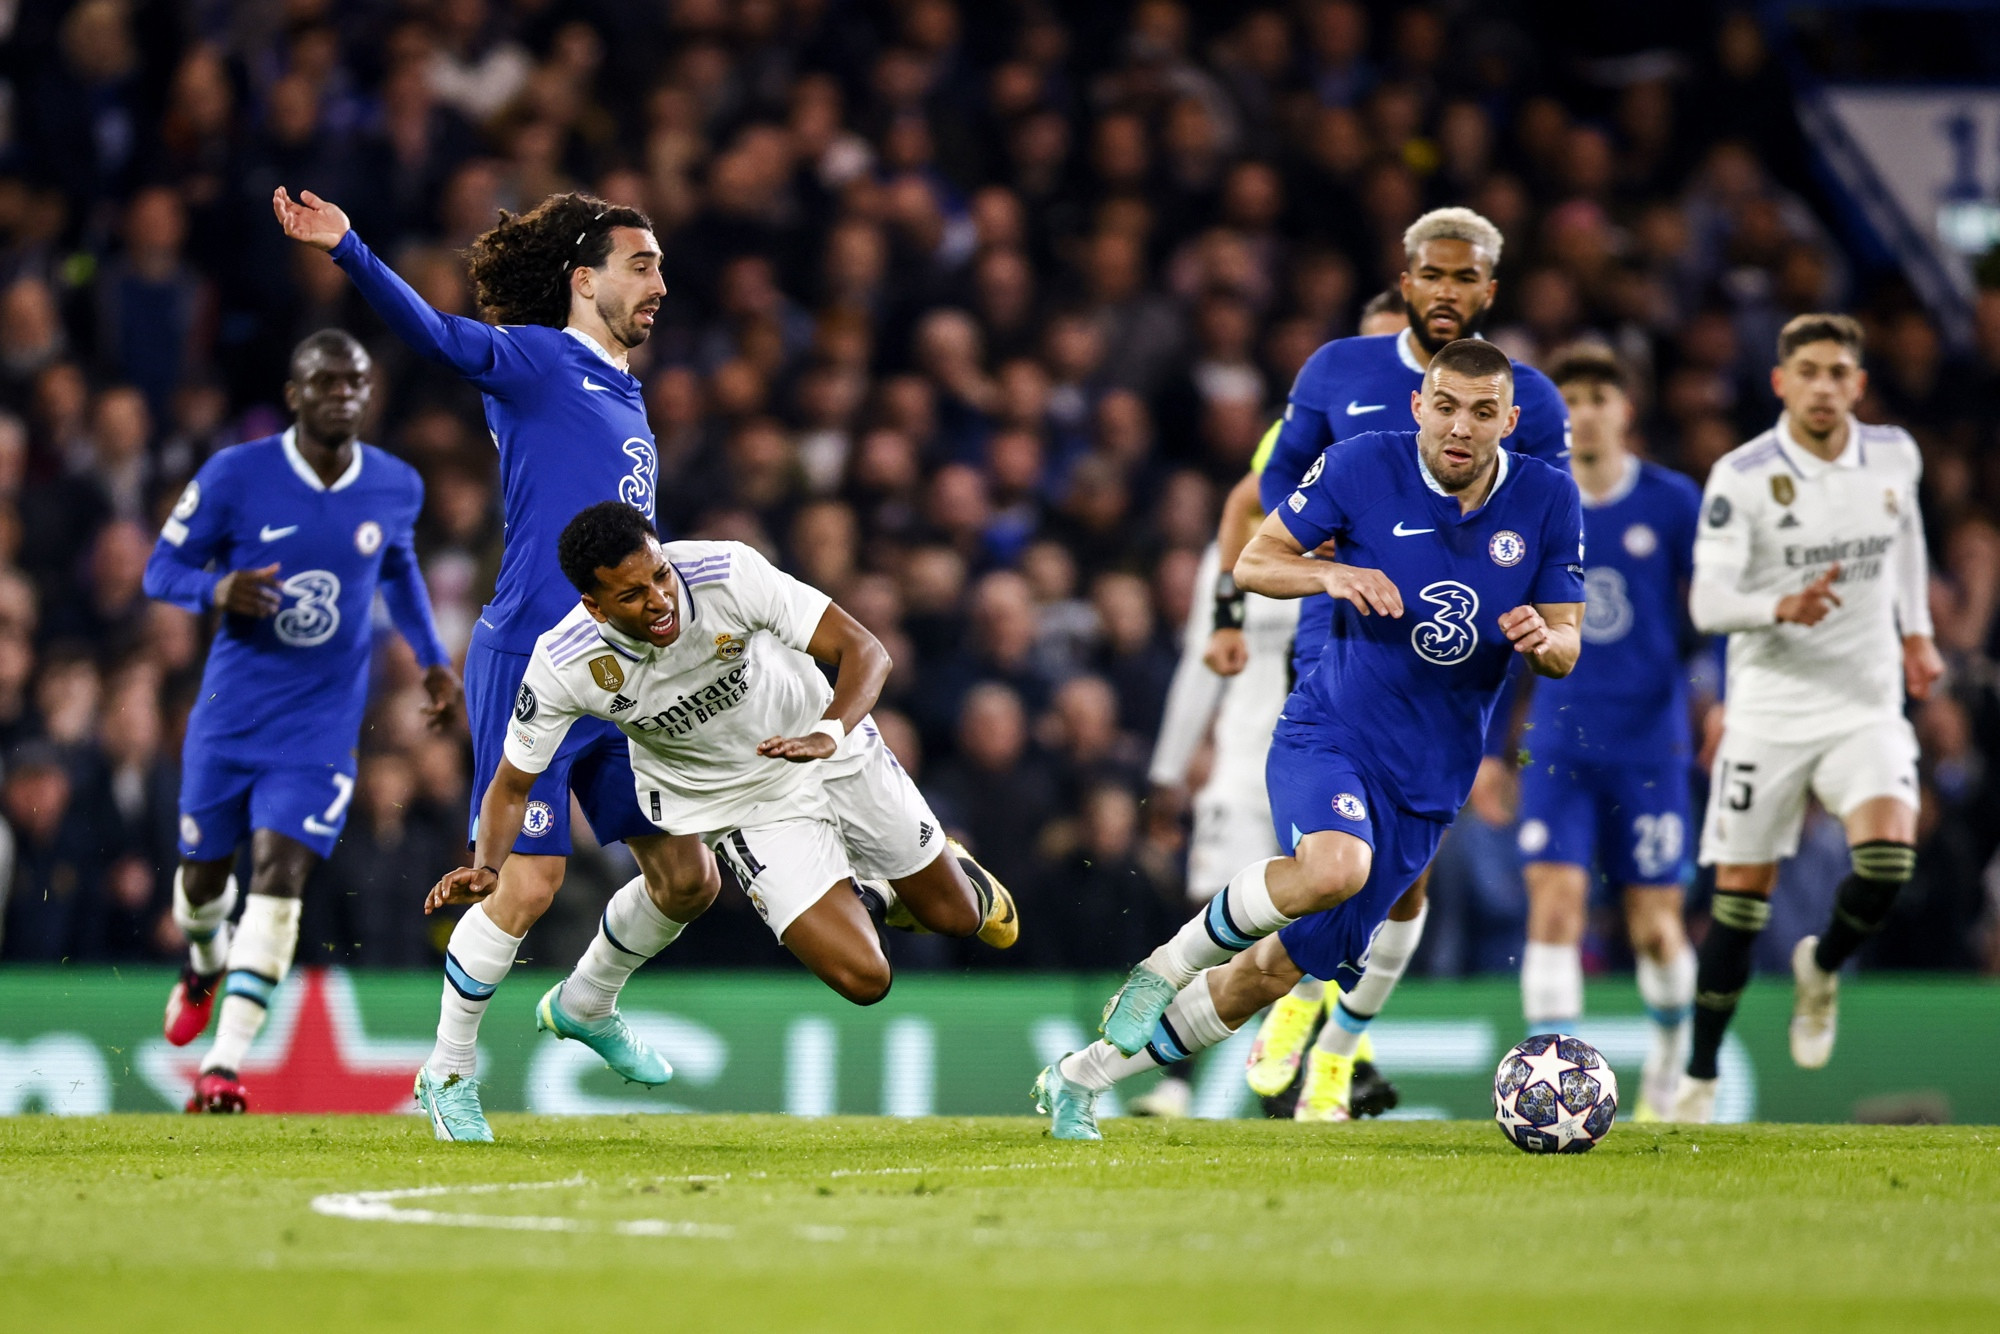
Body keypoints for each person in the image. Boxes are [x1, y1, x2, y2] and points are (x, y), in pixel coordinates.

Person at [1033, 340, 1585, 1139]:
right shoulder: (1362, 464)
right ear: (1418, 407)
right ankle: (1164, 966)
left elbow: (1567, 644)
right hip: (1332, 729)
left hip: (1430, 779)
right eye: (1447, 406)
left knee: (1266, 975)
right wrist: (1331, 575)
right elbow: (1256, 560)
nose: (1461, 426)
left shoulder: (1548, 498)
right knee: (1336, 864)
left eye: (1483, 411)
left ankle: (1077, 1078)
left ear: (1511, 420)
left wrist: (1545, 640)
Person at [271, 187, 722, 1138]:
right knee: (529, 881)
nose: (660, 286)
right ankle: (446, 1073)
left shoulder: (625, 389)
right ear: (583, 279)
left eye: (662, 269)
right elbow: (437, 337)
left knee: (689, 879)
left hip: (621, 671)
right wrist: (348, 244)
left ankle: (587, 1004)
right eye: (642, 267)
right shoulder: (539, 359)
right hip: (532, 658)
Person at [426, 502, 1018, 1139]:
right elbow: (511, 786)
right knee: (866, 980)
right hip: (744, 811)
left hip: (831, 748)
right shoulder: (565, 664)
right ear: (595, 608)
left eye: (659, 576)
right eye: (632, 594)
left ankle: (936, 873)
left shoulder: (724, 572)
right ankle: (876, 890)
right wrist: (486, 865)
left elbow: (864, 651)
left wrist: (828, 731)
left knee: (959, 918)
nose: (659, 600)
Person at [1226, 210, 1574, 1121]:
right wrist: (1330, 547)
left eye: (1468, 279)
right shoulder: (1338, 370)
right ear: (1408, 279)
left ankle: (1332, 1043)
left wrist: (1527, 689)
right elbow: (1275, 483)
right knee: (1335, 845)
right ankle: (1300, 991)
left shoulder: (1529, 394)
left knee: (1405, 875)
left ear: (1490, 289)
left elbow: (1547, 537)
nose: (1449, 292)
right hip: (1340, 628)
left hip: (1459, 663)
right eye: (1434, 275)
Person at [145, 330, 461, 1113]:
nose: (342, 395)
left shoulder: (395, 485)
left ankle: (223, 1067)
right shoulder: (236, 475)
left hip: (320, 729)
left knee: (279, 880)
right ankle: (202, 961)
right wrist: (219, 590)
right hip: (230, 718)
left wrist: (430, 658)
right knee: (201, 886)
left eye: (355, 382)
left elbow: (398, 568)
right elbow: (162, 569)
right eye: (325, 382)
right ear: (294, 394)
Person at [1674, 314, 1941, 1123]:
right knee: (1738, 902)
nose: (1824, 386)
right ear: (1780, 383)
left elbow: (1905, 540)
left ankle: (1821, 968)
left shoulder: (1895, 454)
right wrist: (1777, 606)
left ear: (1858, 385)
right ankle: (1699, 1074)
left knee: (1890, 859)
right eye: (1809, 372)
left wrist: (1919, 632)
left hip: (1864, 702)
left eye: (1839, 373)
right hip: (1770, 709)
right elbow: (1707, 601)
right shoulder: (1742, 475)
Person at [1513, 346, 1702, 1117]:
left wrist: (1717, 694)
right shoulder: (1532, 503)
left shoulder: (1672, 502)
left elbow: (1715, 615)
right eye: (1572, 397)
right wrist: (1493, 748)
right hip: (1558, 743)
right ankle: (1552, 1086)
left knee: (1655, 925)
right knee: (1553, 906)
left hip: (1652, 746)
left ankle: (1672, 1059)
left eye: (1600, 395)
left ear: (1625, 409)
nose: (1586, 410)